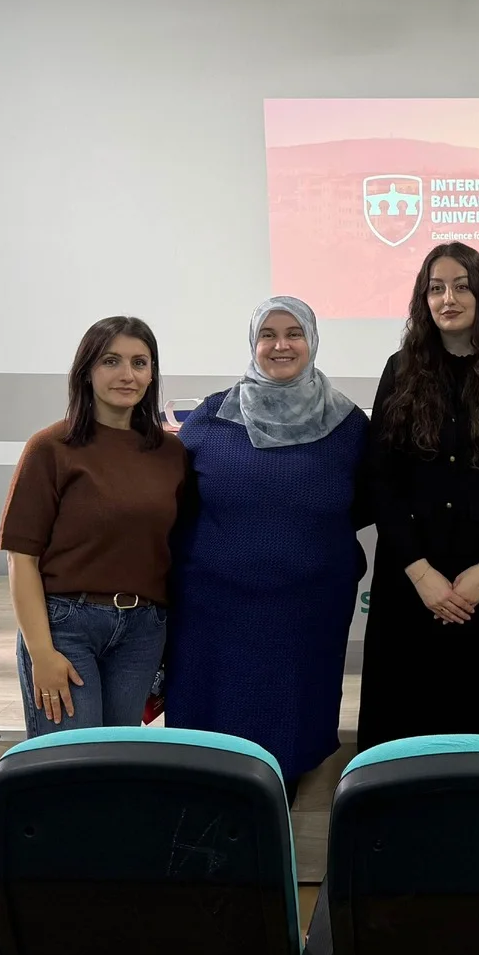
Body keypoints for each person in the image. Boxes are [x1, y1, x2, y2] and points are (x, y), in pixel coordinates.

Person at [165, 296, 369, 803]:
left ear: (312, 340)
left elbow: (365, 502)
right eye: (268, 335)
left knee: (292, 717)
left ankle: (276, 814)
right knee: (210, 724)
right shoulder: (212, 416)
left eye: (294, 333)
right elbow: (176, 498)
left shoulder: (348, 425)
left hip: (308, 609)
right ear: (252, 343)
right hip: (214, 607)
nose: (281, 345)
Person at [358, 244, 479, 748]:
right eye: (437, 288)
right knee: (404, 731)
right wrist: (421, 574)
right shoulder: (400, 369)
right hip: (411, 582)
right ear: (423, 299)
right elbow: (381, 480)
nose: (449, 298)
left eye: (462, 286)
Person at [1, 316, 188, 735]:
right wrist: (41, 653)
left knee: (117, 759)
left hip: (143, 632)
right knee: (72, 759)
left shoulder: (171, 453)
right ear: (86, 371)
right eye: (111, 361)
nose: (127, 375)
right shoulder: (50, 448)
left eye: (139, 363)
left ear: (152, 374)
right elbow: (21, 559)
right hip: (66, 627)